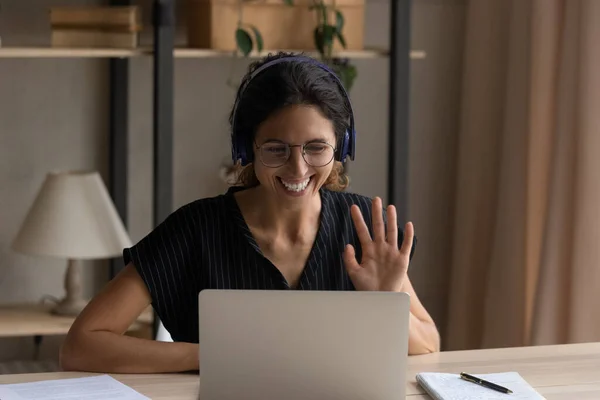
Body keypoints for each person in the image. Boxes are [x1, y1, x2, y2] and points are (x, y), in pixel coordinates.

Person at [59, 52, 440, 374]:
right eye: (276, 149)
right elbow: (81, 345)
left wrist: (387, 303)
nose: (298, 169)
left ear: (341, 147)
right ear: (246, 148)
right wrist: (217, 357)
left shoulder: (362, 230)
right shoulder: (197, 229)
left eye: (316, 148)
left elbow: (429, 345)